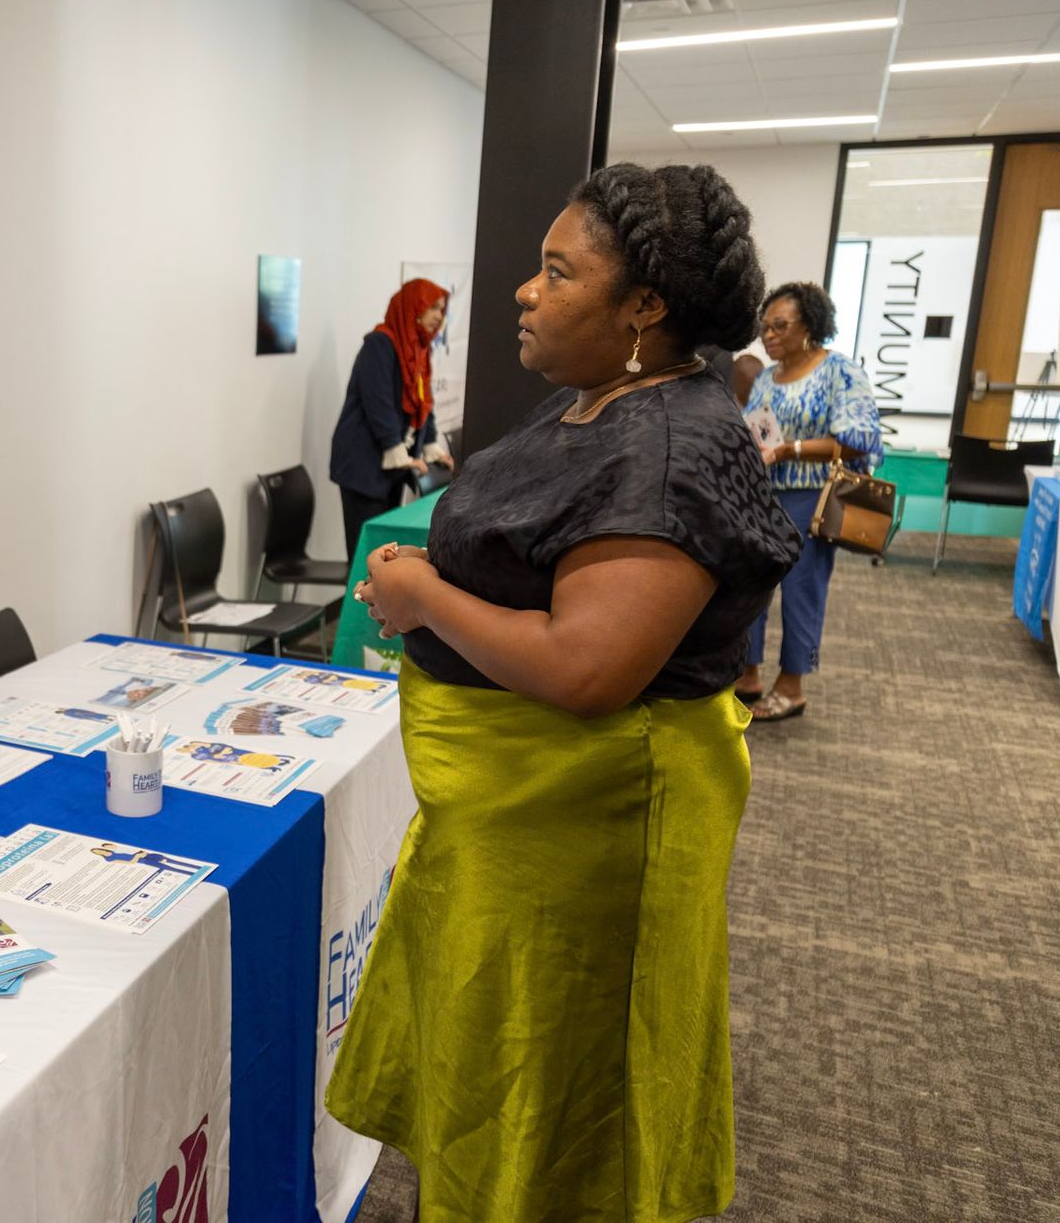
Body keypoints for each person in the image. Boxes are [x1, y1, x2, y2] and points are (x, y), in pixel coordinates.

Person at [329, 163, 803, 1221]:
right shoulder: (610, 398)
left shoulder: (672, 446)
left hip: (586, 833)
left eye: (556, 272)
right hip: (518, 822)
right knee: (498, 1063)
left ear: (644, 307)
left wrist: (426, 596)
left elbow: (589, 668)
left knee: (563, 1092)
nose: (523, 292)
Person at [735, 282, 883, 723]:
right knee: (751, 589)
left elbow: (859, 439)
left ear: (810, 325)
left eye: (780, 325)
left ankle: (792, 686)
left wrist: (791, 450)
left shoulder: (839, 372)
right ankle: (747, 676)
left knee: (801, 592)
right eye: (765, 327)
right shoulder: (766, 377)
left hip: (813, 497)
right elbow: (760, 430)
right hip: (764, 496)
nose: (770, 335)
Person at [329, 279, 456, 560]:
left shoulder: (419, 349)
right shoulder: (380, 343)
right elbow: (379, 404)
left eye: (442, 309)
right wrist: (397, 452)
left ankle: (379, 602)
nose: (439, 316)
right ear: (413, 307)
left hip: (391, 467)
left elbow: (424, 404)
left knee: (386, 550)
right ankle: (360, 603)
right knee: (367, 552)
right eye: (433, 307)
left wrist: (431, 447)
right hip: (363, 464)